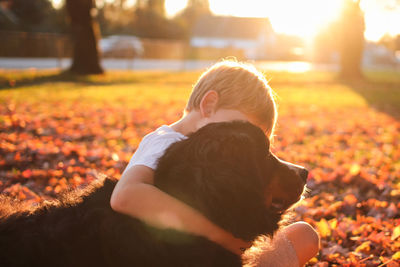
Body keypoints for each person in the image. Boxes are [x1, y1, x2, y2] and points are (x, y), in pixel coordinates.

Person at [110, 60, 319, 266]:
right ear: (209, 105)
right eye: (241, 130)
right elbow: (124, 195)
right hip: (166, 253)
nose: (242, 142)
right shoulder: (165, 141)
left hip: (208, 252)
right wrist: (218, 236)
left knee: (303, 235)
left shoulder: (211, 158)